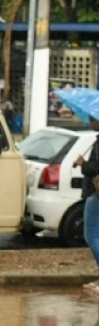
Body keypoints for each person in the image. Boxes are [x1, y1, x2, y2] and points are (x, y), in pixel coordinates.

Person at [77, 117, 99, 294]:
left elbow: (95, 168)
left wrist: (82, 164)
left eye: (93, 119)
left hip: (96, 193)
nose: (90, 122)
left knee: (91, 235)